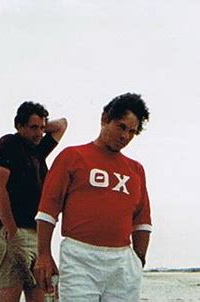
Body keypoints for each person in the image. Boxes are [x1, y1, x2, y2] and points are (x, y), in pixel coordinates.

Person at [34, 93, 152, 302]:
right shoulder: (72, 157)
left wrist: (138, 260)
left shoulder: (136, 170)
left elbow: (142, 221)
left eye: (132, 132)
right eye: (121, 127)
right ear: (105, 119)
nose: (125, 136)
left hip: (122, 263)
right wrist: (43, 254)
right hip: (80, 258)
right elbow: (47, 210)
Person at [0, 101, 67, 302]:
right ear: (19, 125)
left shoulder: (38, 150)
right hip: (14, 232)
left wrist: (40, 126)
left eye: (42, 128)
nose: (39, 133)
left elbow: (62, 125)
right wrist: (12, 233)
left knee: (42, 295)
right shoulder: (9, 144)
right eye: (33, 127)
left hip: (37, 235)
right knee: (10, 296)